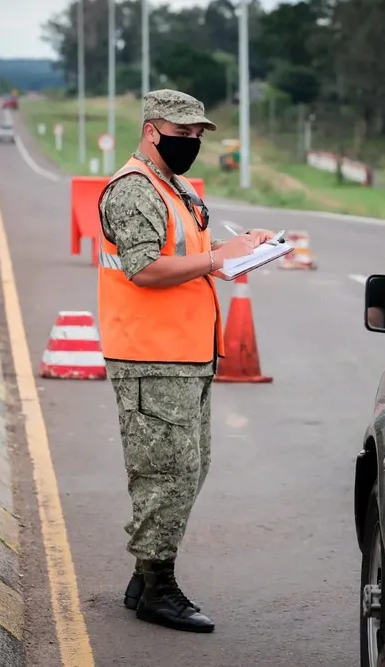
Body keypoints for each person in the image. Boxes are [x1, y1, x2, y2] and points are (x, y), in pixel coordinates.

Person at [97, 88, 276, 633]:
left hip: (186, 353)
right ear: (152, 131)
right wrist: (220, 257)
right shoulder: (133, 191)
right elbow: (145, 268)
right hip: (150, 356)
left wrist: (242, 248)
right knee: (166, 475)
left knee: (187, 470)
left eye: (197, 135)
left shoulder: (174, 187)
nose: (191, 143)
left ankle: (143, 577)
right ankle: (158, 587)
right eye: (182, 135)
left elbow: (193, 259)